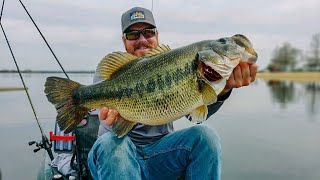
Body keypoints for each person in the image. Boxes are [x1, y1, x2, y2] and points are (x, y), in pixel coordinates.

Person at [87, 7, 257, 180]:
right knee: (111, 144)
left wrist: (224, 89)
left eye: (148, 32)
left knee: (207, 138)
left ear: (157, 36)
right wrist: (112, 118)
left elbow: (196, 116)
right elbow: (102, 112)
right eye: (133, 35)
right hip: (115, 157)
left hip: (161, 156)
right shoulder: (112, 73)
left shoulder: (179, 64)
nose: (142, 40)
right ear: (124, 41)